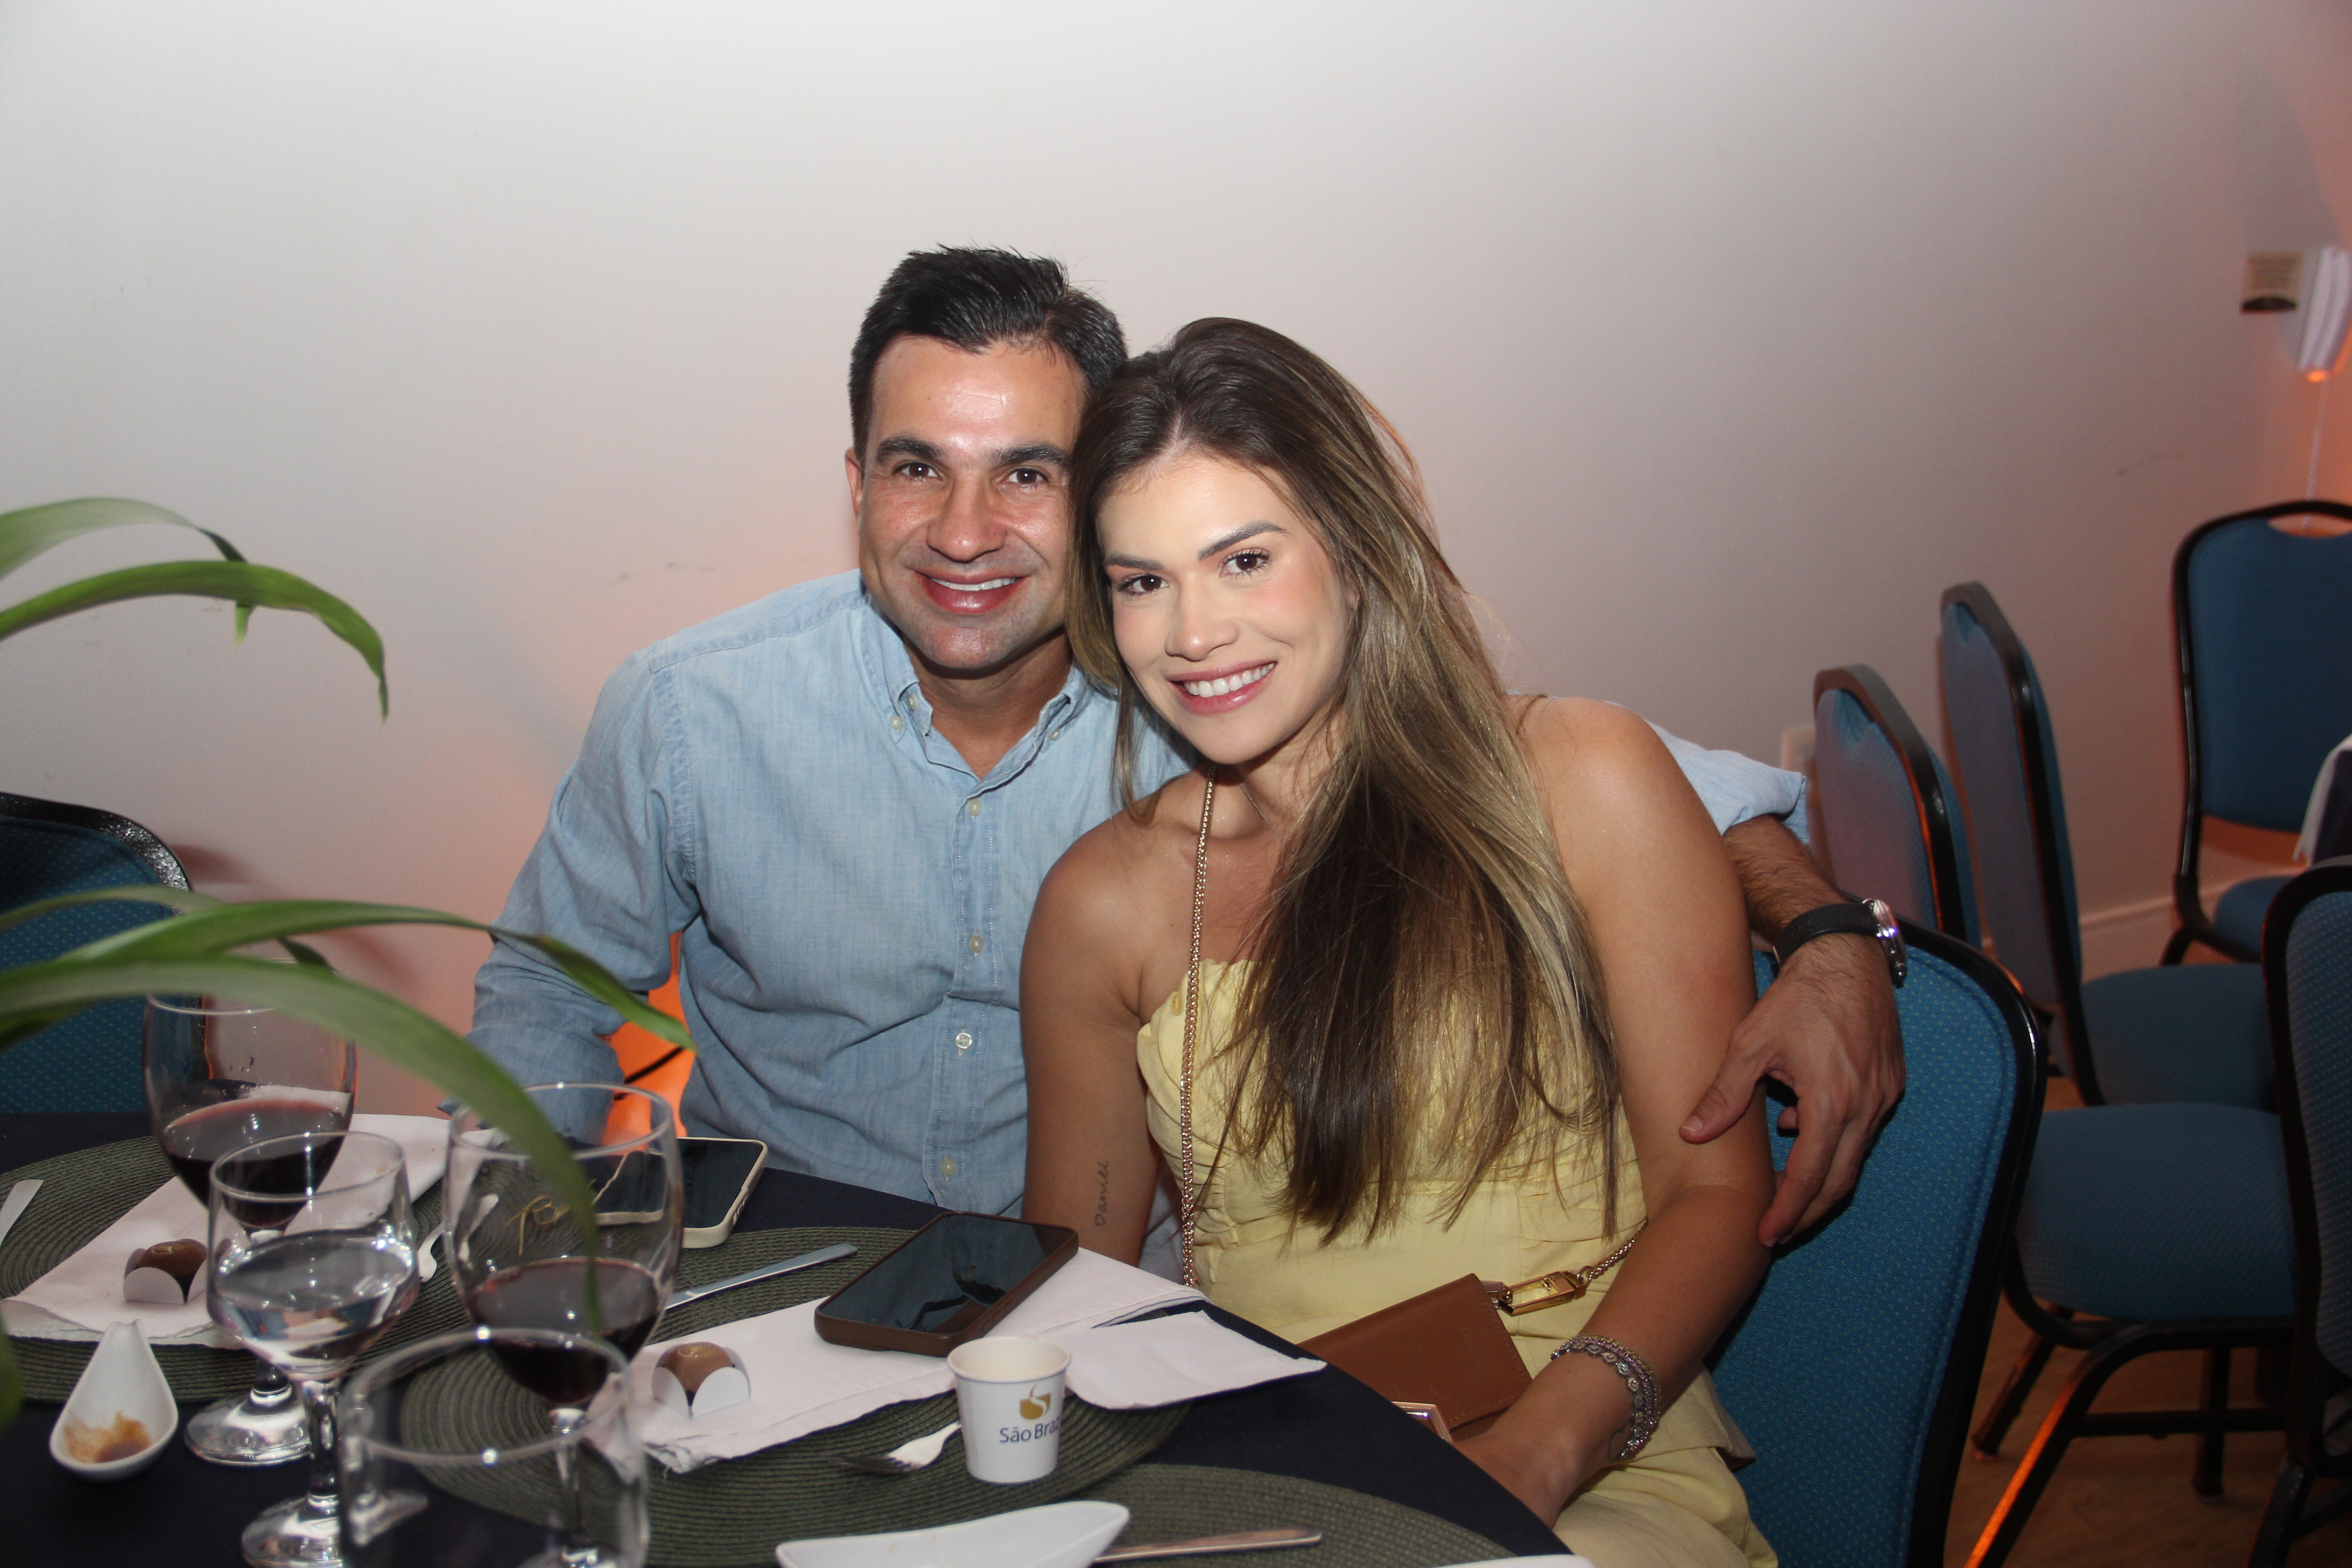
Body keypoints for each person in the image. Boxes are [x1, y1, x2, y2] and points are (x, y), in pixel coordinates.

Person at [469, 247, 1898, 1249]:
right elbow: (540, 986)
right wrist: (566, 1243)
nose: (964, 533)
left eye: (1027, 474)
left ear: (1099, 497)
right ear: (857, 484)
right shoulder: (689, 714)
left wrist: (1831, 937)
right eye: (917, 468)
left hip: (1122, 1322)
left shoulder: (1202, 689)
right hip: (782, 1293)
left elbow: (1629, 781)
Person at [1021, 318, 1779, 1566]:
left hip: (1589, 1458)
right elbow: (1074, 1286)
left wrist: (1536, 1457)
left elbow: (1718, 1194)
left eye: (1245, 559)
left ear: (1358, 551)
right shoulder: (1107, 903)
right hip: (1277, 1474)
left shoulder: (1580, 782)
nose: (1192, 632)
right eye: (1142, 581)